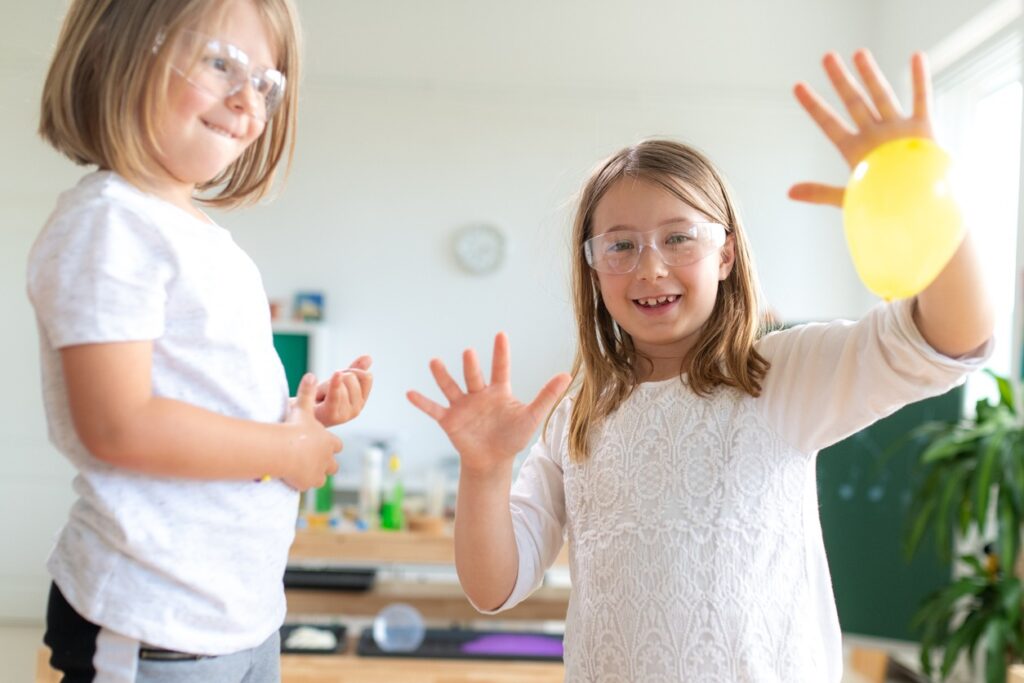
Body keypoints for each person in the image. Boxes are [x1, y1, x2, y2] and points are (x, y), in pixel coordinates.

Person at [407, 50, 993, 681]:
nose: (650, 267)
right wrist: (485, 472)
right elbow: (493, 586)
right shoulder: (575, 416)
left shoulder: (782, 374)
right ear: (593, 270)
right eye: (620, 245)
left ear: (726, 255)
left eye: (679, 238)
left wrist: (927, 202)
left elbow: (947, 341)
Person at [28, 1, 373, 681]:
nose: (248, 101)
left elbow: (200, 404)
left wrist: (297, 418)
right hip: (152, 619)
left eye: (267, 83)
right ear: (121, 50)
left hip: (237, 614)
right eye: (221, 63)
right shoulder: (110, 223)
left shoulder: (203, 238)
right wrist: (285, 450)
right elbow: (120, 423)